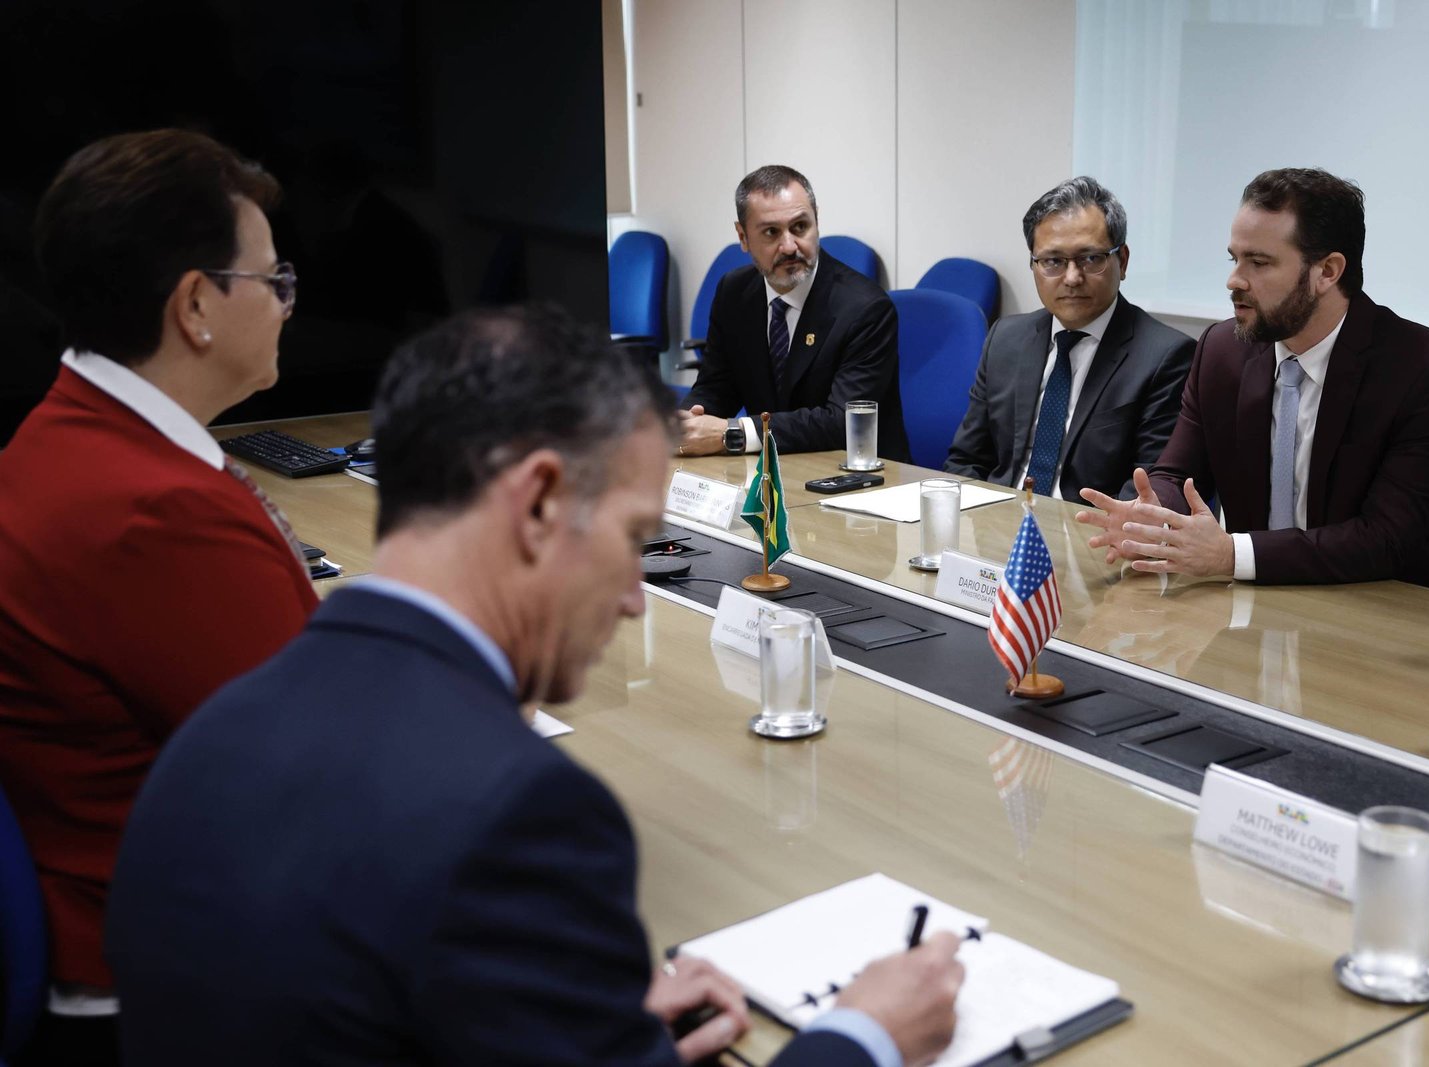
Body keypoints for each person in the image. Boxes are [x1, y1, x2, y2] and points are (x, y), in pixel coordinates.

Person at [107, 305, 965, 1066]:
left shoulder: (211, 731)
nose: (634, 597)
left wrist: (578, 1015)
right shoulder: (521, 813)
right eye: (632, 536)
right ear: (541, 503)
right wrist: (864, 1035)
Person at [0, 129, 317, 1065]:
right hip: (176, 996)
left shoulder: (62, 433)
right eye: (273, 280)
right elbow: (327, 780)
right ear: (196, 306)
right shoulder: (153, 513)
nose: (287, 304)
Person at [1075, 168, 1429, 590]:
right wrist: (1152, 514)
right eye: (1234, 259)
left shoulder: (1426, 371)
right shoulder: (1221, 351)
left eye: (1259, 262)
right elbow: (1177, 474)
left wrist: (1232, 554)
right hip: (1257, 600)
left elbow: (1386, 538)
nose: (1234, 280)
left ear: (1327, 271)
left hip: (1390, 602)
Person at [944, 177, 1194, 501]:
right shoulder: (1005, 339)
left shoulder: (1166, 357)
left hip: (1091, 527)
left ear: (1122, 261)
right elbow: (966, 462)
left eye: (1090, 258)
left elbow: (1149, 493)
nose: (1072, 278)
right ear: (1033, 266)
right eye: (1053, 261)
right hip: (1000, 520)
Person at [679, 164, 912, 461]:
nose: (789, 247)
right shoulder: (734, 293)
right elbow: (716, 386)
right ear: (743, 237)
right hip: (772, 469)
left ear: (817, 221)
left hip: (856, 473)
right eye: (771, 232)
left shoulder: (865, 308)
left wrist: (733, 433)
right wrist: (686, 422)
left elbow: (841, 422)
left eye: (800, 227)